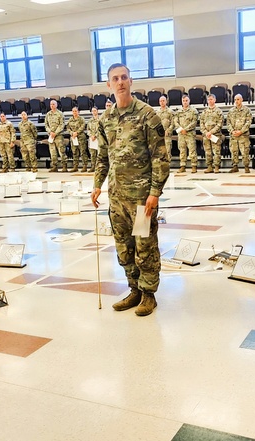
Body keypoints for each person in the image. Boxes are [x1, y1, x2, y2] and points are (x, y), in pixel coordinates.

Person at [91, 63, 169, 317]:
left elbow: (160, 157)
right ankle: (134, 289)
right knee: (124, 247)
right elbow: (102, 156)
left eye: (124, 77)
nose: (121, 82)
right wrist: (96, 185)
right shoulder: (106, 120)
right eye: (115, 78)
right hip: (117, 198)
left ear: (131, 81)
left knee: (145, 247)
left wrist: (155, 192)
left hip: (141, 200)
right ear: (109, 85)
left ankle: (148, 295)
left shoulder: (147, 115)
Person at [227, 94, 252, 173]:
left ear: (241, 100)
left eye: (238, 99)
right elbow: (228, 123)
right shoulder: (231, 111)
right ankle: (235, 166)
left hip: (243, 135)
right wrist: (232, 131)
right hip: (234, 135)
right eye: (235, 99)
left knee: (245, 151)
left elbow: (248, 122)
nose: (236, 101)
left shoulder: (247, 110)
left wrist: (241, 131)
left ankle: (246, 166)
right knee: (234, 151)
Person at [199, 94, 224, 173]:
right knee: (208, 151)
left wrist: (211, 132)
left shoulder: (219, 111)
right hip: (206, 135)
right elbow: (201, 123)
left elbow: (220, 124)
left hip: (215, 135)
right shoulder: (204, 112)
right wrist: (206, 132)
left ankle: (216, 167)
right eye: (208, 99)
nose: (210, 101)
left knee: (216, 151)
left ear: (215, 100)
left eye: (211, 99)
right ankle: (209, 166)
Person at [174, 95, 198, 173]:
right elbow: (175, 122)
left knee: (192, 150)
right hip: (181, 134)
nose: (185, 102)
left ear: (189, 101)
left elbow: (194, 122)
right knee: (182, 150)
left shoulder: (193, 111)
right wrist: (181, 129)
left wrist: (186, 129)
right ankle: (182, 166)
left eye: (186, 100)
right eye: (183, 101)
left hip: (190, 134)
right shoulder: (178, 111)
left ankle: (194, 166)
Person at [45, 100, 67, 172]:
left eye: (53, 104)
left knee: (61, 152)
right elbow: (46, 125)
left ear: (56, 105)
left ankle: (64, 166)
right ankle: (54, 166)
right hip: (51, 136)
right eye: (51, 104)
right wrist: (50, 132)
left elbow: (62, 125)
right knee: (52, 152)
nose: (52, 105)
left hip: (58, 136)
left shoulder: (60, 114)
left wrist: (55, 132)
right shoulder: (48, 114)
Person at [67, 106, 88, 172]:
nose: (74, 112)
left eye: (75, 111)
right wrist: (72, 133)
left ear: (78, 112)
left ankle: (84, 166)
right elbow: (68, 128)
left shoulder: (81, 119)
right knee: (74, 152)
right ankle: (75, 166)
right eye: (73, 111)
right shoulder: (70, 119)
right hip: (73, 137)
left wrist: (77, 132)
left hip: (81, 137)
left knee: (82, 152)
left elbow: (83, 126)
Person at [86, 106, 104, 173]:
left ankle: (100, 167)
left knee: (99, 153)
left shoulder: (100, 119)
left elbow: (101, 128)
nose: (94, 112)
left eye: (95, 111)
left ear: (97, 111)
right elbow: (88, 129)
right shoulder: (90, 120)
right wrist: (91, 135)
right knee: (92, 153)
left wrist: (95, 135)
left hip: (99, 138)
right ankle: (93, 166)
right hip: (92, 139)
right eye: (92, 111)